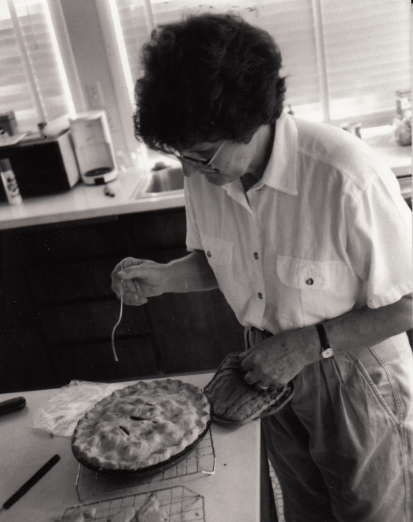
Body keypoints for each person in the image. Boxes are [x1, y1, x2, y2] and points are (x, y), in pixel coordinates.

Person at [111, 13, 413, 522]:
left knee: (371, 513)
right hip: (266, 369)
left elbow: (408, 306)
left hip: (353, 375)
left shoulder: (346, 176)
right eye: (182, 155)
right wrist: (164, 277)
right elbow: (219, 262)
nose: (190, 170)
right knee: (304, 508)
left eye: (202, 156)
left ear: (251, 122)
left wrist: (305, 346)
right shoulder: (206, 169)